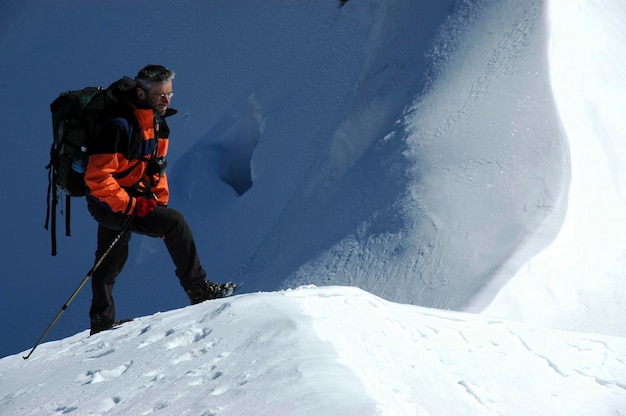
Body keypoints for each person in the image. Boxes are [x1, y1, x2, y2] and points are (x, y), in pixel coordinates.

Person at [84, 64, 236, 335]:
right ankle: (199, 290)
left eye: (169, 94)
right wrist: (133, 205)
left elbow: (157, 165)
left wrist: (158, 201)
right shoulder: (116, 127)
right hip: (108, 202)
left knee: (111, 255)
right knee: (174, 224)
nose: (166, 101)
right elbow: (97, 178)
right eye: (160, 95)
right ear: (142, 94)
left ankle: (101, 322)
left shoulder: (156, 122)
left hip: (131, 196)